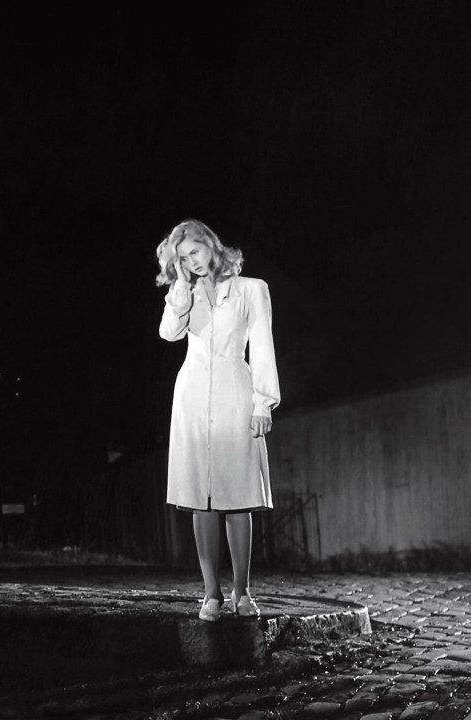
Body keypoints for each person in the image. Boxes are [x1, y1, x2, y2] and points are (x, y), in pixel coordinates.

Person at [155, 219, 280, 622]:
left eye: (194, 251)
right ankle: (211, 594)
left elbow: (262, 347)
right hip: (192, 396)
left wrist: (263, 403)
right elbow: (168, 333)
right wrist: (180, 289)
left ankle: (242, 591)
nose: (191, 261)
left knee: (237, 496)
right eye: (182, 258)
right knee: (201, 498)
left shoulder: (251, 289)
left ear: (210, 244)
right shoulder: (186, 294)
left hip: (235, 392)